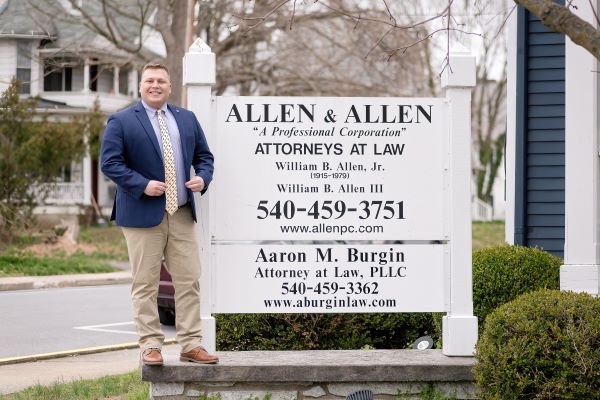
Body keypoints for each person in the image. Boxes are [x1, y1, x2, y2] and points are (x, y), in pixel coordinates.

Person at [100, 62, 218, 366]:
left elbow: (204, 157)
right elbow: (110, 163)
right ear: (140, 86)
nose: (155, 85)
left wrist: (203, 178)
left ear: (169, 86)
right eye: (150, 80)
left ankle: (191, 344)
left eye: (161, 81)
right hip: (141, 215)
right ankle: (151, 345)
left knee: (190, 280)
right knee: (145, 284)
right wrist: (142, 184)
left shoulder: (186, 119)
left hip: (180, 213)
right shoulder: (122, 120)